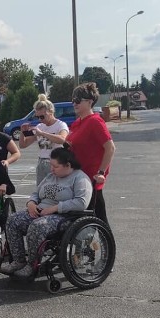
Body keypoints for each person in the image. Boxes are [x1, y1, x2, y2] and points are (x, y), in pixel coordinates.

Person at [0, 147, 92, 278]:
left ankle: (32, 265)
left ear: (68, 165)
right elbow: (36, 193)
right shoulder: (51, 176)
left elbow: (81, 203)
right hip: (41, 212)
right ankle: (18, 261)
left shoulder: (80, 178)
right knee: (13, 220)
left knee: (38, 226)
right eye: (51, 165)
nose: (51, 169)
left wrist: (55, 208)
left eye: (56, 166)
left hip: (64, 217)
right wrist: (31, 203)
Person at [65, 82, 115, 225]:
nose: (74, 103)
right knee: (81, 220)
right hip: (76, 178)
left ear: (90, 102)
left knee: (98, 220)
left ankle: (108, 246)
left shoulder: (95, 122)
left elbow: (110, 148)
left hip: (91, 180)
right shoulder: (77, 123)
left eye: (78, 100)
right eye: (73, 100)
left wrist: (101, 172)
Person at [19, 94, 70, 184]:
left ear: (51, 112)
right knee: (41, 189)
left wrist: (42, 133)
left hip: (56, 163)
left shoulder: (60, 125)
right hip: (42, 162)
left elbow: (62, 139)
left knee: (55, 189)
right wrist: (22, 133)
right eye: (37, 117)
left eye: (42, 116)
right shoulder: (40, 126)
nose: (40, 120)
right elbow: (23, 145)